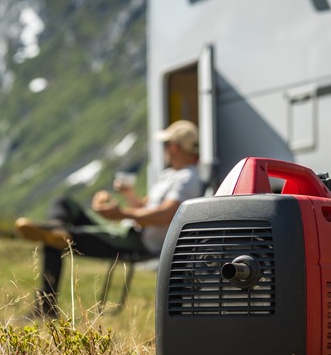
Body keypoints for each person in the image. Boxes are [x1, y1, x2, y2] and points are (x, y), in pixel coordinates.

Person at [15, 120, 204, 318]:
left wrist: (120, 213)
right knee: (62, 204)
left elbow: (166, 215)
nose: (165, 149)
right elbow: (146, 208)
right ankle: (57, 227)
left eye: (166, 144)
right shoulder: (171, 175)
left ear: (174, 147)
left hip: (137, 241)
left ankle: (47, 306)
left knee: (53, 239)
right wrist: (129, 195)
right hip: (126, 232)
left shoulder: (188, 178)